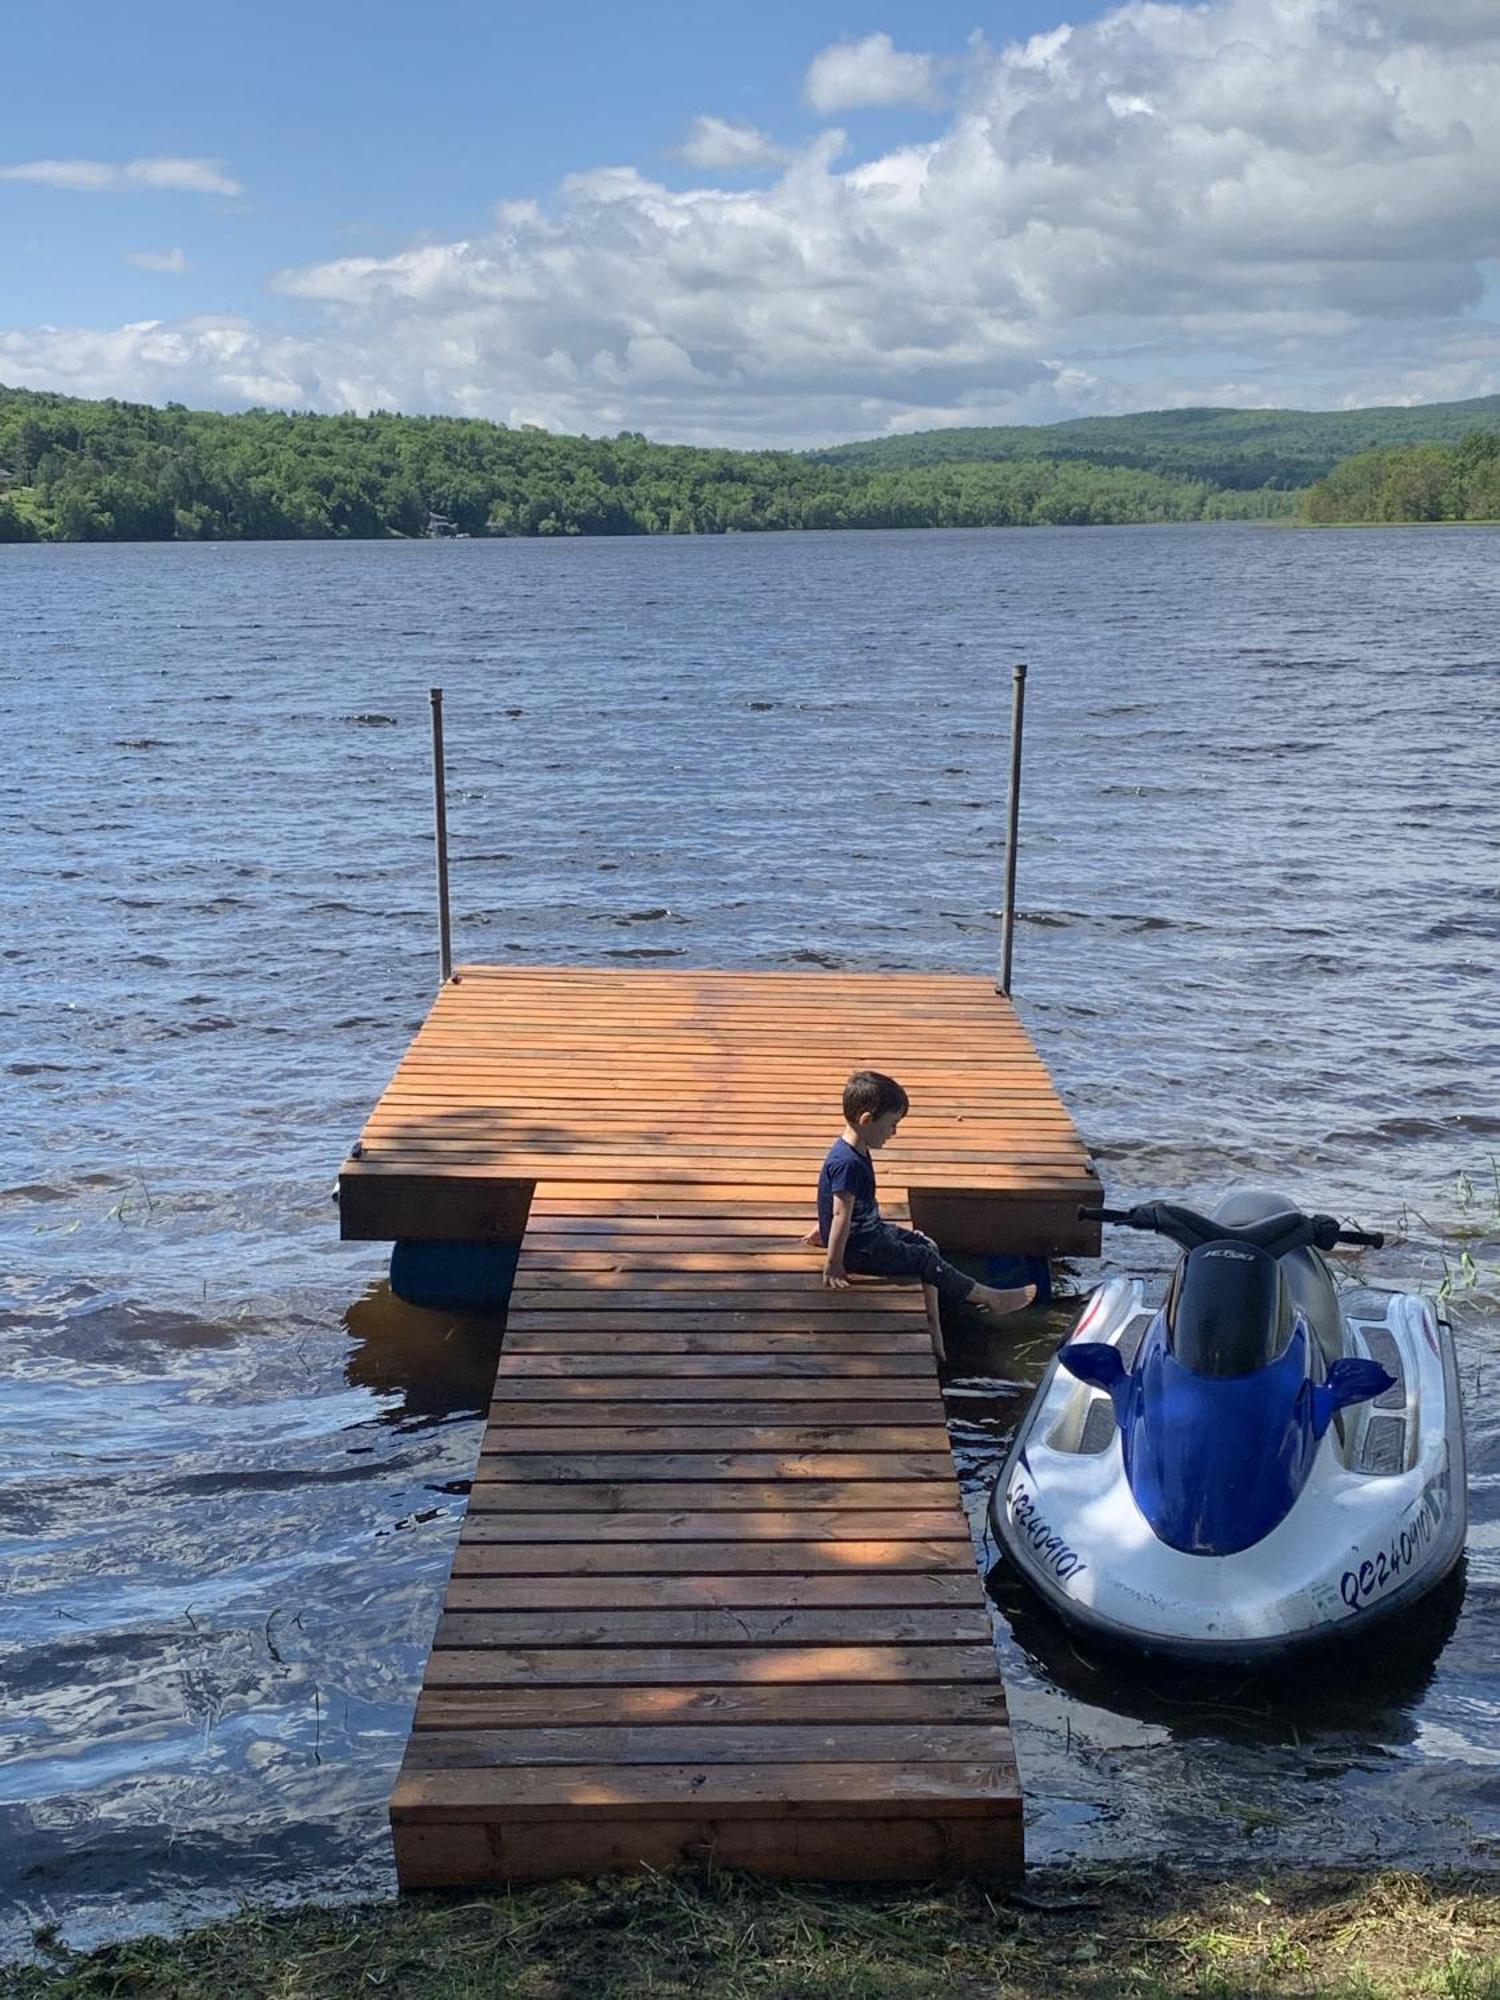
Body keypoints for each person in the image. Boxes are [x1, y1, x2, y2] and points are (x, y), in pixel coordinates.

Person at [803, 1070, 1036, 1339]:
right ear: (866, 1120)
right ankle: (990, 1297)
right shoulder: (848, 1163)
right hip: (862, 1250)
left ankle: (934, 1329)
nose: (894, 1132)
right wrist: (833, 1262)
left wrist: (823, 1228)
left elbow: (838, 1205)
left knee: (927, 1245)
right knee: (925, 1259)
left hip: (869, 1235)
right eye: (891, 1124)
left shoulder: (854, 1150)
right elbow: (841, 1213)